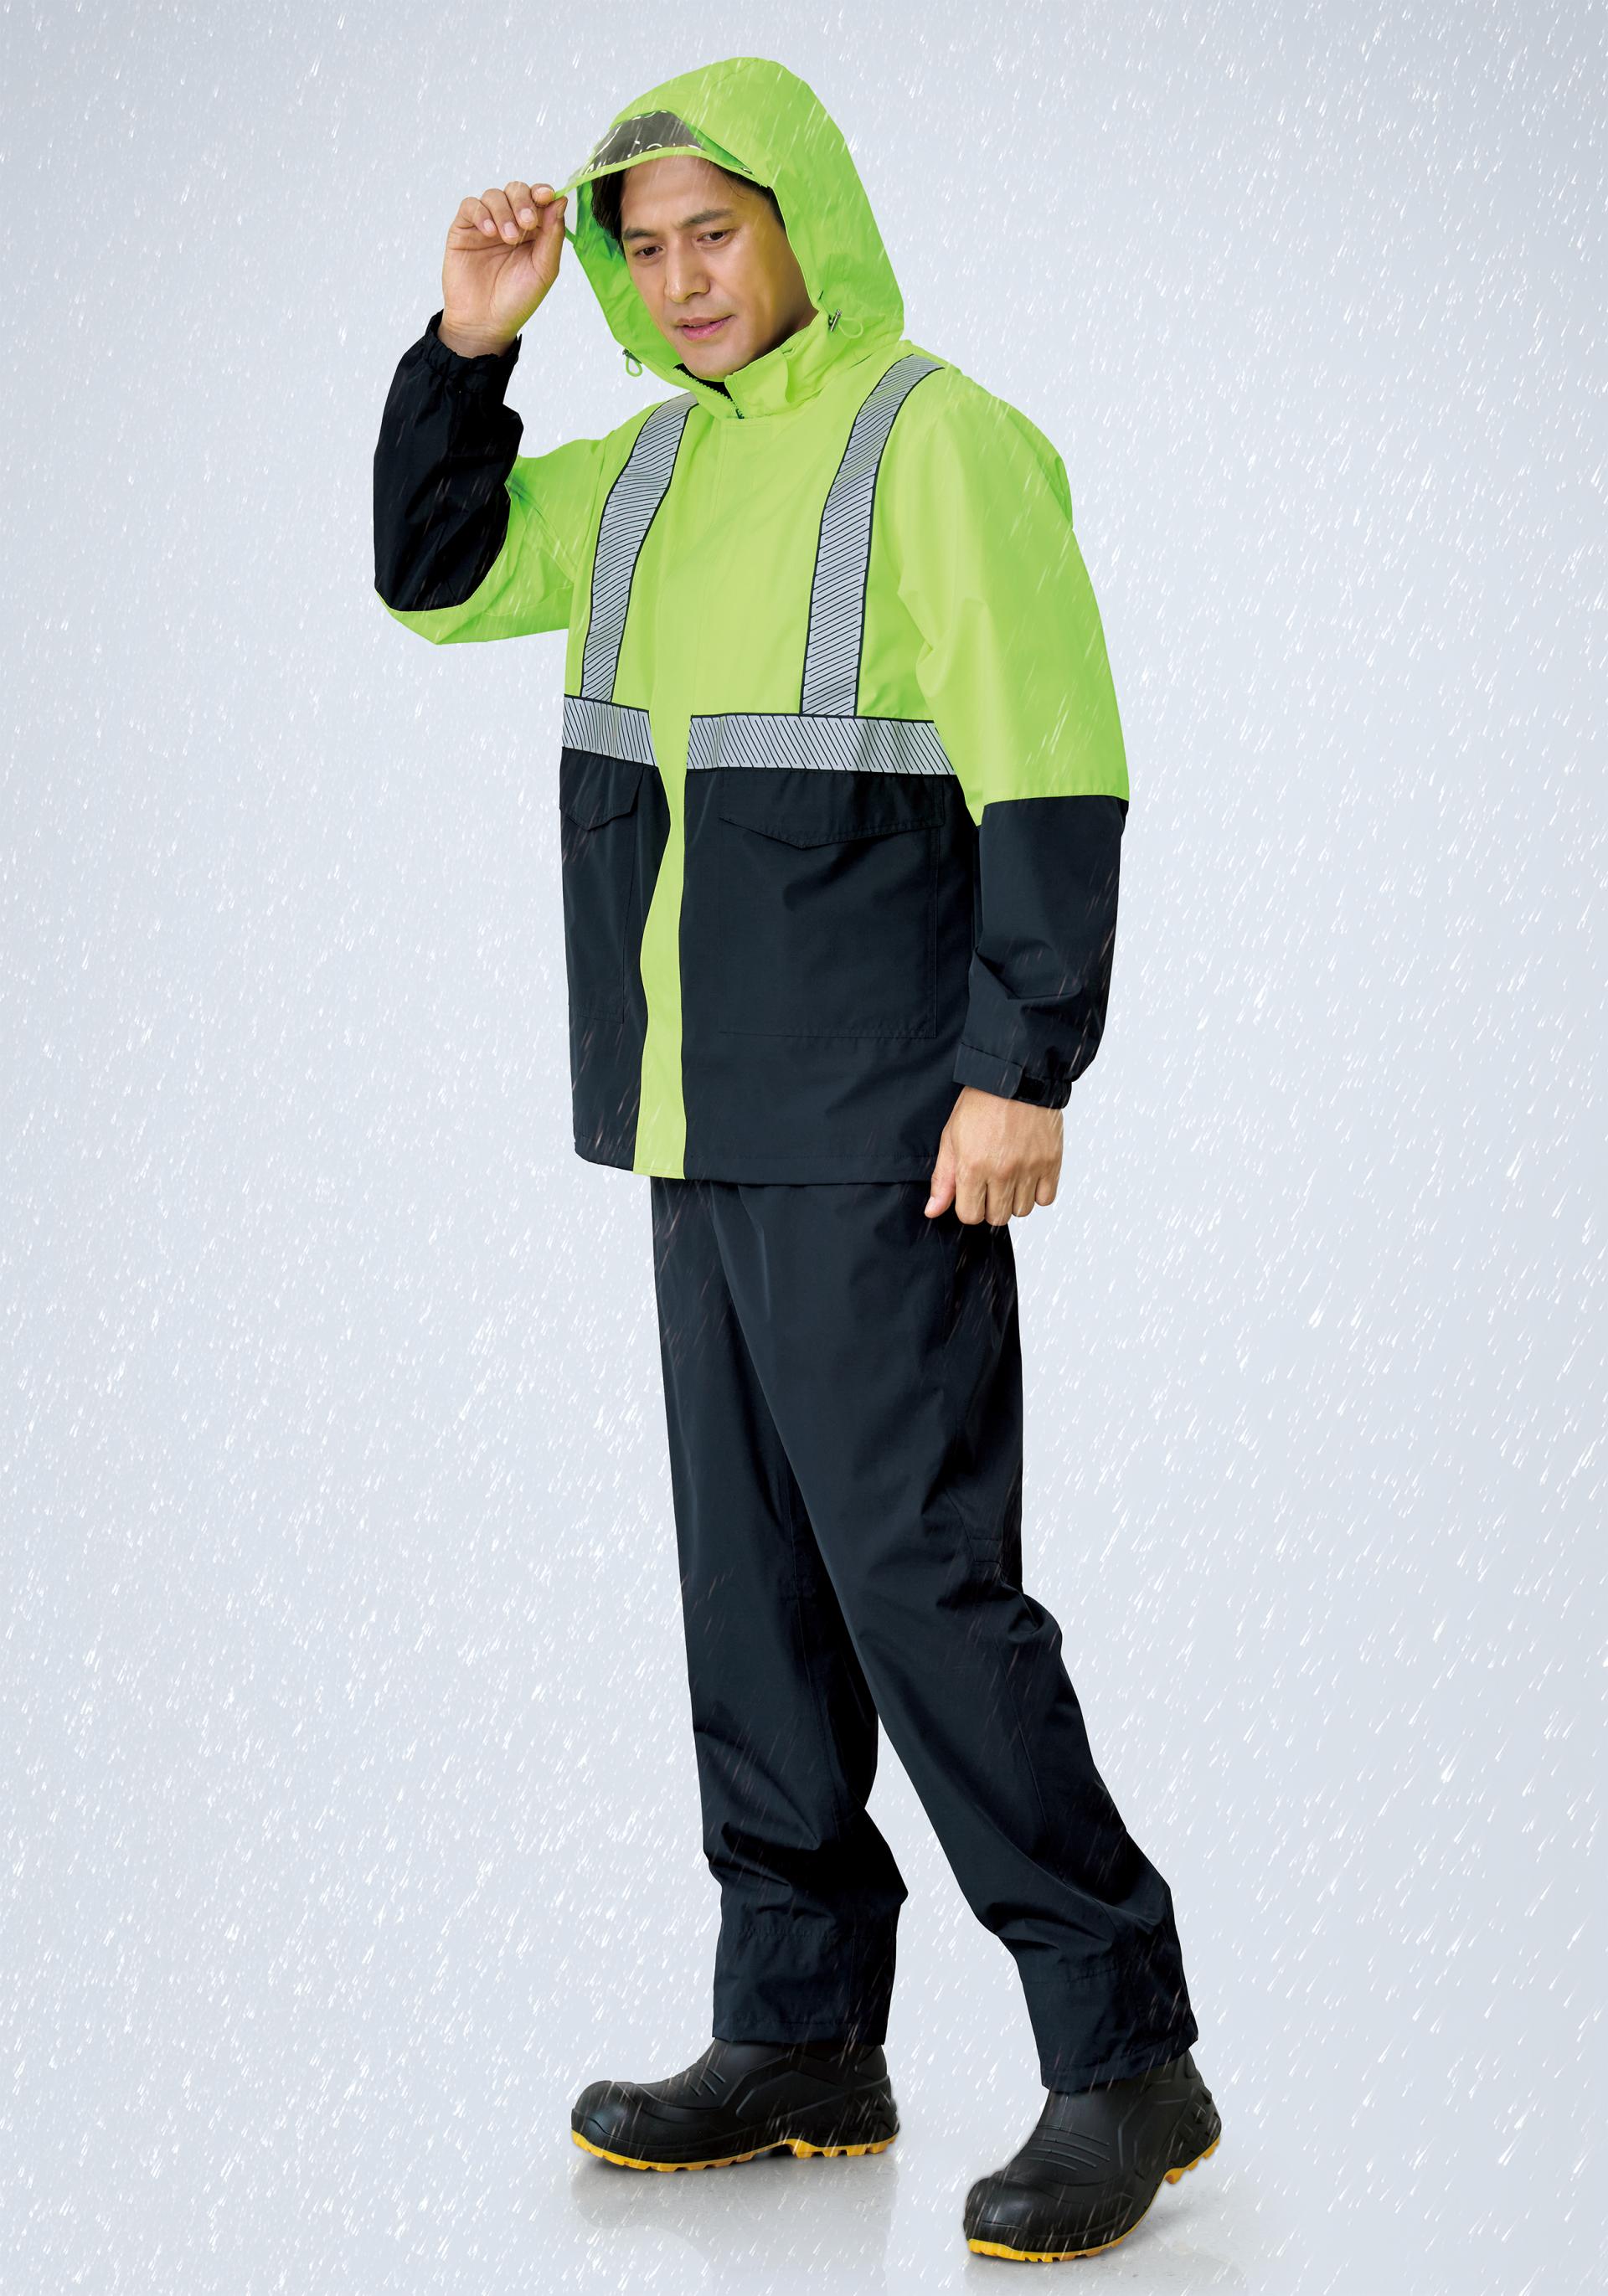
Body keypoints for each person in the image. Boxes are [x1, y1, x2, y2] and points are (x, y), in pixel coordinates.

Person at [373, 53, 1219, 2264]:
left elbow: (1053, 760)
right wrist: (471, 347)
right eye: (644, 248)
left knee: (920, 1587)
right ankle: (801, 2030)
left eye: (714, 234)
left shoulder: (940, 442)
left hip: (886, 1124)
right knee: (751, 1597)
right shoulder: (643, 472)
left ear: (801, 223)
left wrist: (1024, 1065)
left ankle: (1124, 2049)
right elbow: (436, 575)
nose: (680, 279)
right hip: (695, 1111)